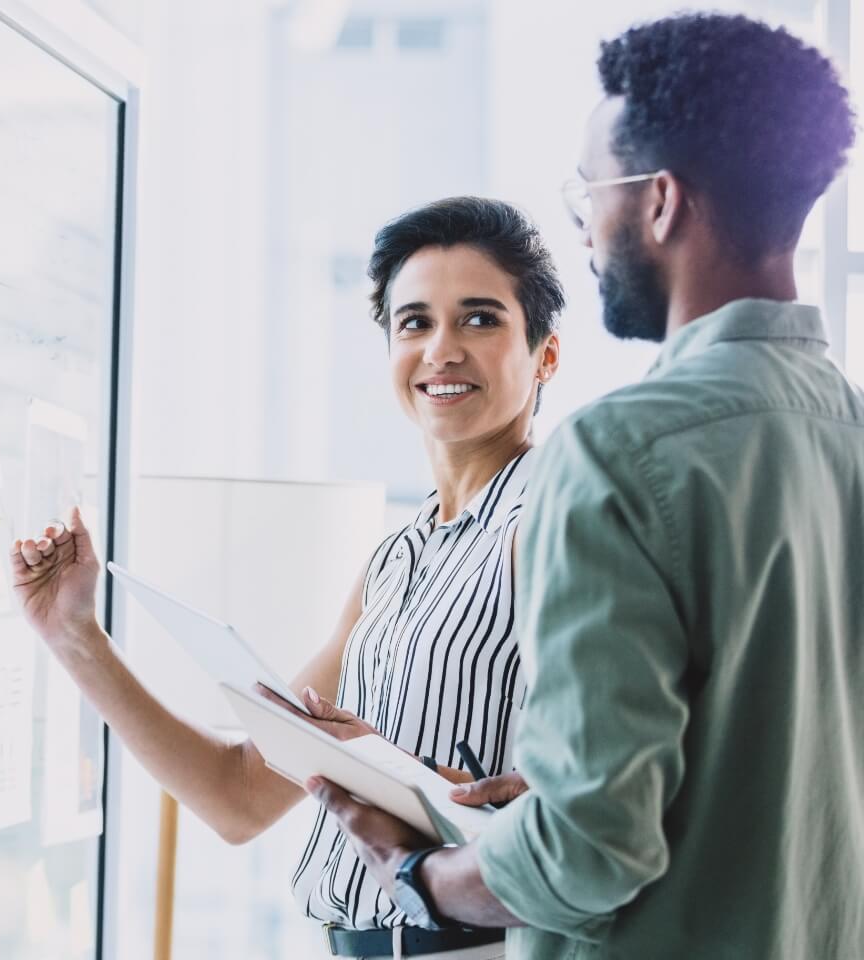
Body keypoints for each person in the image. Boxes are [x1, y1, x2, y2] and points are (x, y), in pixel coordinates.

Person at [308, 12, 864, 960]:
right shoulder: (845, 432)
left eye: (588, 194)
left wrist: (421, 876)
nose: (585, 230)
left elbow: (589, 853)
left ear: (659, 202)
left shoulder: (615, 453)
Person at [10, 196, 564, 958]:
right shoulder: (394, 561)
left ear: (546, 355)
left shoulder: (559, 524)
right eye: (414, 322)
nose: (442, 348)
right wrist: (74, 635)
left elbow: (600, 809)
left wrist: (391, 771)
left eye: (479, 319)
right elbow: (237, 795)